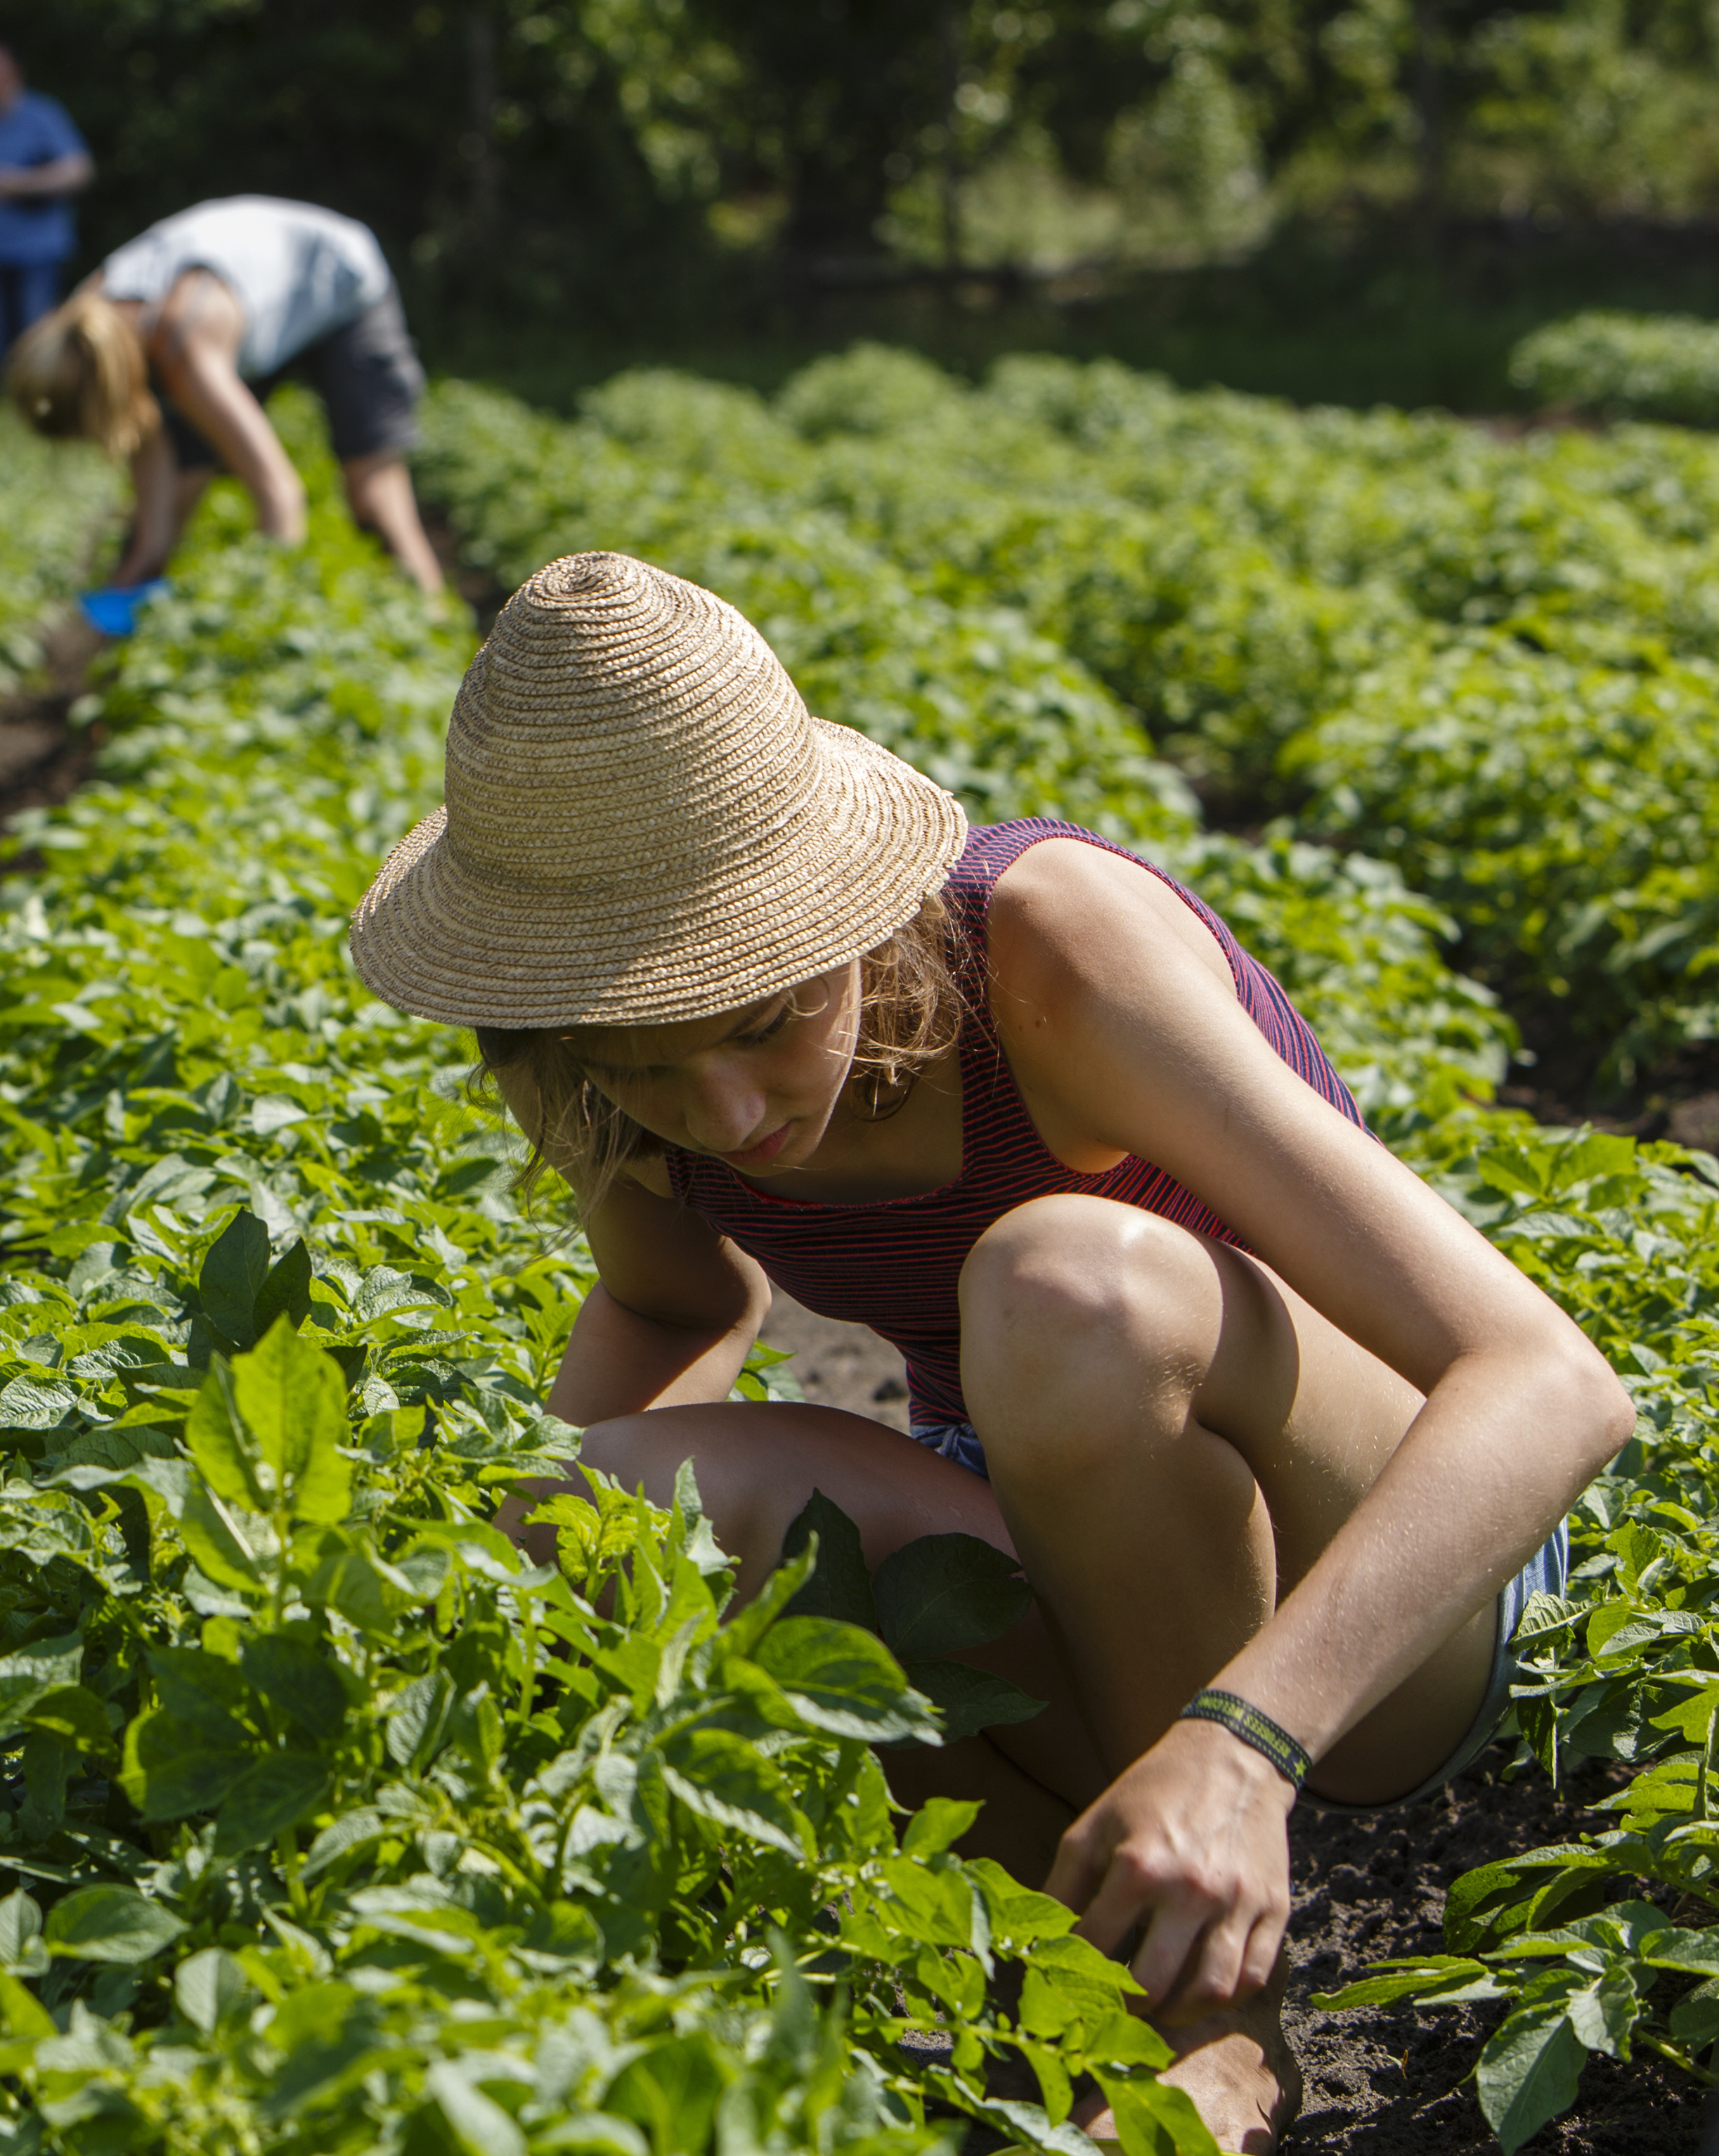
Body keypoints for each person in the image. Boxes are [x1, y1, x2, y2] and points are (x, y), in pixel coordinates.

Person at [343, 550, 1630, 2152]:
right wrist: (504, 1595)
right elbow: (678, 1317)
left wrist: (1243, 1745)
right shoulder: (600, 1070)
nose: (729, 1114)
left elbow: (1549, 1381)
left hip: (1387, 1585)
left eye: (762, 1020)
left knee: (1068, 1288)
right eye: (650, 1061)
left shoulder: (1051, 957)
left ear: (843, 912)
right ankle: (1080, 1995)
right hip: (1074, 1574)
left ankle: (1219, 2018)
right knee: (598, 1498)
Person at [2, 195, 443, 598]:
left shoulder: (186, 347)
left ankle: (437, 629)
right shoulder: (84, 330)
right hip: (254, 297)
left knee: (375, 497)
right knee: (179, 491)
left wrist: (263, 610)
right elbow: (151, 458)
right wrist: (135, 570)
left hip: (338, 280)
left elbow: (280, 495)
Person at [0, 43, 91, 364]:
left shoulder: (43, 114)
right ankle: (6, 411)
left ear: (13, 71)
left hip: (38, 253)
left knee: (39, 342)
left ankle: (44, 409)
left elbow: (79, 170)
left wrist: (22, 183)